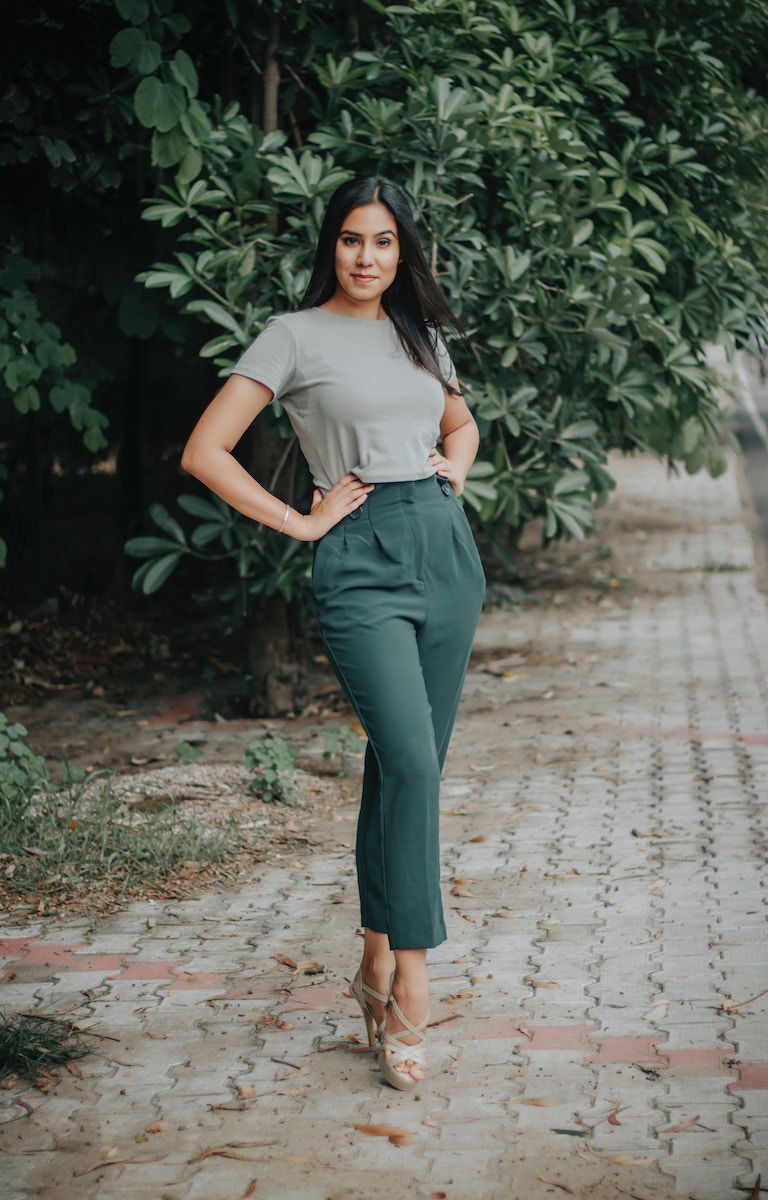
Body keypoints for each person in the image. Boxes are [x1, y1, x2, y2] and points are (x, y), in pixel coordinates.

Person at [180, 174, 486, 1091]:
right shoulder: (294, 334)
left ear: (404, 252)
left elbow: (463, 425)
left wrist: (451, 474)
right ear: (332, 246)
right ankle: (411, 984)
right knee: (416, 762)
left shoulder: (420, 333)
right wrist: (298, 522)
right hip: (357, 562)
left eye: (385, 243)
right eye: (353, 241)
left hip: (444, 553)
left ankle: (370, 964)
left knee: (401, 764)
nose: (368, 258)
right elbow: (204, 449)